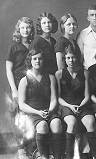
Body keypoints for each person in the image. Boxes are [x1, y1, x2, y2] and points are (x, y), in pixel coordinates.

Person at [18, 49, 63, 159]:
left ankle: (58, 156)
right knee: (42, 126)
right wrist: (38, 112)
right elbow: (22, 104)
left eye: (40, 58)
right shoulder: (24, 80)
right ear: (30, 61)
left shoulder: (51, 77)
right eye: (34, 59)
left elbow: (53, 99)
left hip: (48, 111)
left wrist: (49, 111)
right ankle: (44, 156)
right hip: (33, 113)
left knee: (56, 123)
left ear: (43, 60)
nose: (37, 61)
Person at [55, 45, 96, 159]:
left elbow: (87, 96)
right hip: (66, 105)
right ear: (65, 59)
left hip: (82, 104)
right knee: (72, 122)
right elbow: (58, 97)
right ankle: (69, 156)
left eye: (73, 57)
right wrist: (70, 106)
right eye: (68, 58)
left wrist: (80, 106)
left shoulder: (85, 73)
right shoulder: (59, 74)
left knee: (90, 122)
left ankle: (95, 155)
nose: (71, 60)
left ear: (77, 58)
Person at [6, 17, 34, 159]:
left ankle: (33, 149)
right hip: (17, 85)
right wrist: (14, 89)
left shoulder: (33, 45)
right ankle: (21, 149)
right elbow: (8, 69)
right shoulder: (14, 47)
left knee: (30, 117)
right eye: (22, 28)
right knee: (18, 118)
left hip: (31, 86)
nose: (25, 30)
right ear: (18, 29)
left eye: (28, 27)